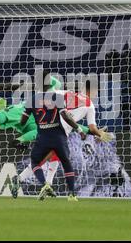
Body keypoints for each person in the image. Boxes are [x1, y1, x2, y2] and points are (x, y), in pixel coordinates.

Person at [20, 72, 86, 201]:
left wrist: (26, 118)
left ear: (38, 84)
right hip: (58, 136)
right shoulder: (57, 97)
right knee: (66, 163)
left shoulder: (32, 99)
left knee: (35, 162)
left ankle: (45, 184)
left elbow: (22, 121)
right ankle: (72, 194)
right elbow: (65, 116)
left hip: (43, 137)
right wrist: (78, 129)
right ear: (50, 83)